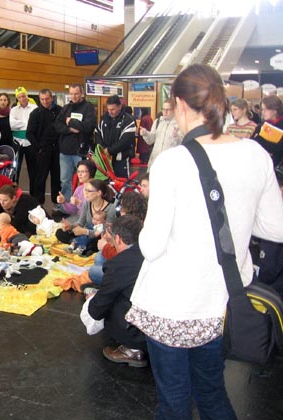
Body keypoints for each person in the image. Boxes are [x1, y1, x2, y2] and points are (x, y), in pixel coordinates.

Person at [126, 64, 283, 420]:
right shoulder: (257, 154)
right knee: (213, 394)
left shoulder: (172, 162)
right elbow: (275, 228)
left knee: (175, 402)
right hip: (218, 304)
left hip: (171, 305)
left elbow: (151, 247)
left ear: (180, 104)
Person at [84, 215, 147, 367]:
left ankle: (132, 349)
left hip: (140, 331)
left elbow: (96, 310)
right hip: (164, 324)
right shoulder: (152, 253)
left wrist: (91, 300)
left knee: (107, 303)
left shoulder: (118, 265)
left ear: (117, 239)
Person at [54, 84, 97, 200]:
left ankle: (84, 203)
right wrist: (69, 129)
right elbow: (57, 125)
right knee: (65, 179)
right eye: (71, 93)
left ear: (82, 94)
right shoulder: (66, 108)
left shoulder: (89, 108)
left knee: (84, 179)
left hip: (81, 151)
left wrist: (70, 121)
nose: (73, 96)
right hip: (65, 151)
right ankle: (66, 204)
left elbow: (88, 126)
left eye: (76, 93)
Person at [56, 179, 115, 255]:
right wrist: (70, 226)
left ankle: (79, 245)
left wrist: (85, 232)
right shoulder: (87, 203)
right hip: (85, 233)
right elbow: (80, 222)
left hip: (98, 235)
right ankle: (80, 245)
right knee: (60, 232)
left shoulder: (110, 208)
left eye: (89, 191)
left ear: (99, 193)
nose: (85, 193)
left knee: (97, 242)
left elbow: (105, 231)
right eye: (85, 190)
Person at [26, 88, 62, 205]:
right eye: (42, 99)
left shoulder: (60, 111)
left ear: (51, 98)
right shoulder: (35, 113)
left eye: (47, 99)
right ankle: (38, 202)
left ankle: (56, 202)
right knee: (40, 178)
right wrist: (39, 148)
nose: (45, 101)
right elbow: (29, 133)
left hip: (57, 150)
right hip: (43, 151)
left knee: (56, 177)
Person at [95, 95, 136, 179]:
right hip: (104, 159)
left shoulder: (128, 120)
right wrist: (102, 149)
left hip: (121, 160)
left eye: (113, 109)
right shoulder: (104, 118)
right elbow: (97, 133)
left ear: (120, 107)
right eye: (108, 109)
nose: (110, 112)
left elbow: (125, 141)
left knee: (121, 183)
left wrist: (109, 150)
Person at [139, 98, 183, 169]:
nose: (165, 112)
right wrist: (145, 133)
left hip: (170, 164)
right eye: (163, 109)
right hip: (154, 162)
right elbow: (150, 140)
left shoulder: (180, 124)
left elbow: (183, 143)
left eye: (168, 110)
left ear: (174, 110)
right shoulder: (158, 122)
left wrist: (176, 136)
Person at [10, 87, 38, 194]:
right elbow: (12, 125)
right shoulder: (14, 110)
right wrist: (27, 123)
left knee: (33, 170)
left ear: (27, 96)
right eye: (19, 97)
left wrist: (20, 123)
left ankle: (34, 194)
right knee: (15, 169)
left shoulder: (34, 108)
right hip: (17, 143)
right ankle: (13, 193)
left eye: (24, 96)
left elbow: (35, 125)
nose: (22, 98)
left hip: (31, 143)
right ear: (17, 98)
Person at [254, 95, 283, 167]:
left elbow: (279, 148)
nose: (263, 112)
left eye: (266, 109)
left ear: (275, 110)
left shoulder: (281, 125)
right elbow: (254, 142)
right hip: (261, 162)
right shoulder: (262, 126)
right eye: (262, 109)